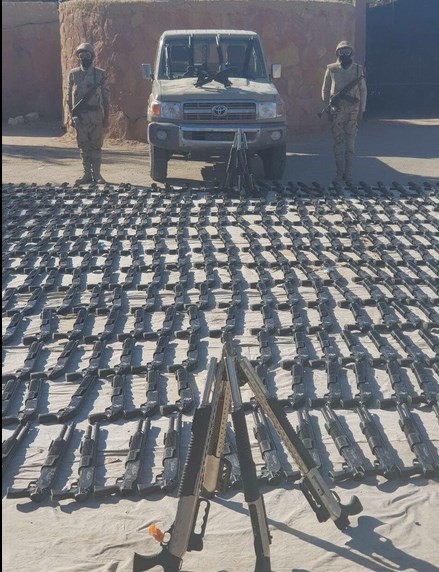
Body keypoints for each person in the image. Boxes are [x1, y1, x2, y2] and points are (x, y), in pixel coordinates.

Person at [321, 41, 367, 183]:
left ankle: (348, 173)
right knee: (337, 143)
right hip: (337, 111)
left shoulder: (358, 70)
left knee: (350, 144)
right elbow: (325, 89)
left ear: (352, 53)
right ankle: (339, 173)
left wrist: (362, 110)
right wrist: (327, 107)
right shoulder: (332, 69)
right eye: (342, 51)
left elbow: (363, 90)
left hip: (353, 111)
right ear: (337, 53)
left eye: (347, 51)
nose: (345, 54)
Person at [67, 42, 110, 184]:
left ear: (92, 56)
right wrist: (71, 116)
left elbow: (106, 98)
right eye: (81, 55)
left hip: (96, 115)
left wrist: (106, 117)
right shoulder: (73, 74)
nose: (84, 58)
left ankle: (97, 175)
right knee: (83, 146)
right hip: (80, 117)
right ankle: (86, 174)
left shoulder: (100, 74)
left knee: (96, 146)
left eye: (87, 55)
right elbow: (69, 98)